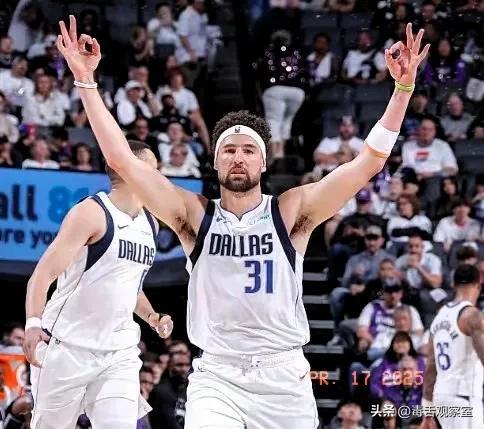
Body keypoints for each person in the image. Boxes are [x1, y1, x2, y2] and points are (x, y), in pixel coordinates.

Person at [57, 15, 429, 428]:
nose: (238, 157)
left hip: (283, 375)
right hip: (217, 375)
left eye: (248, 151)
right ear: (215, 162)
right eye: (229, 150)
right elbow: (122, 160)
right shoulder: (193, 214)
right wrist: (85, 81)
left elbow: (367, 164)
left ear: (263, 162)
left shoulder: (291, 211)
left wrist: (402, 91)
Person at [23, 140, 174, 429]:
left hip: (119, 352)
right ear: (130, 169)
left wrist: (152, 317)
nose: (159, 175)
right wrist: (32, 324)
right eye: (153, 168)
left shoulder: (151, 223)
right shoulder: (91, 213)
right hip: (67, 347)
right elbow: (42, 275)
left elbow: (129, 286)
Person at [421, 264, 484, 429]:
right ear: (478, 285)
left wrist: (427, 412)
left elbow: (431, 367)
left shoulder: (439, 316)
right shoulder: (472, 315)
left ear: (454, 285)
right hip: (464, 397)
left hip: (442, 398)